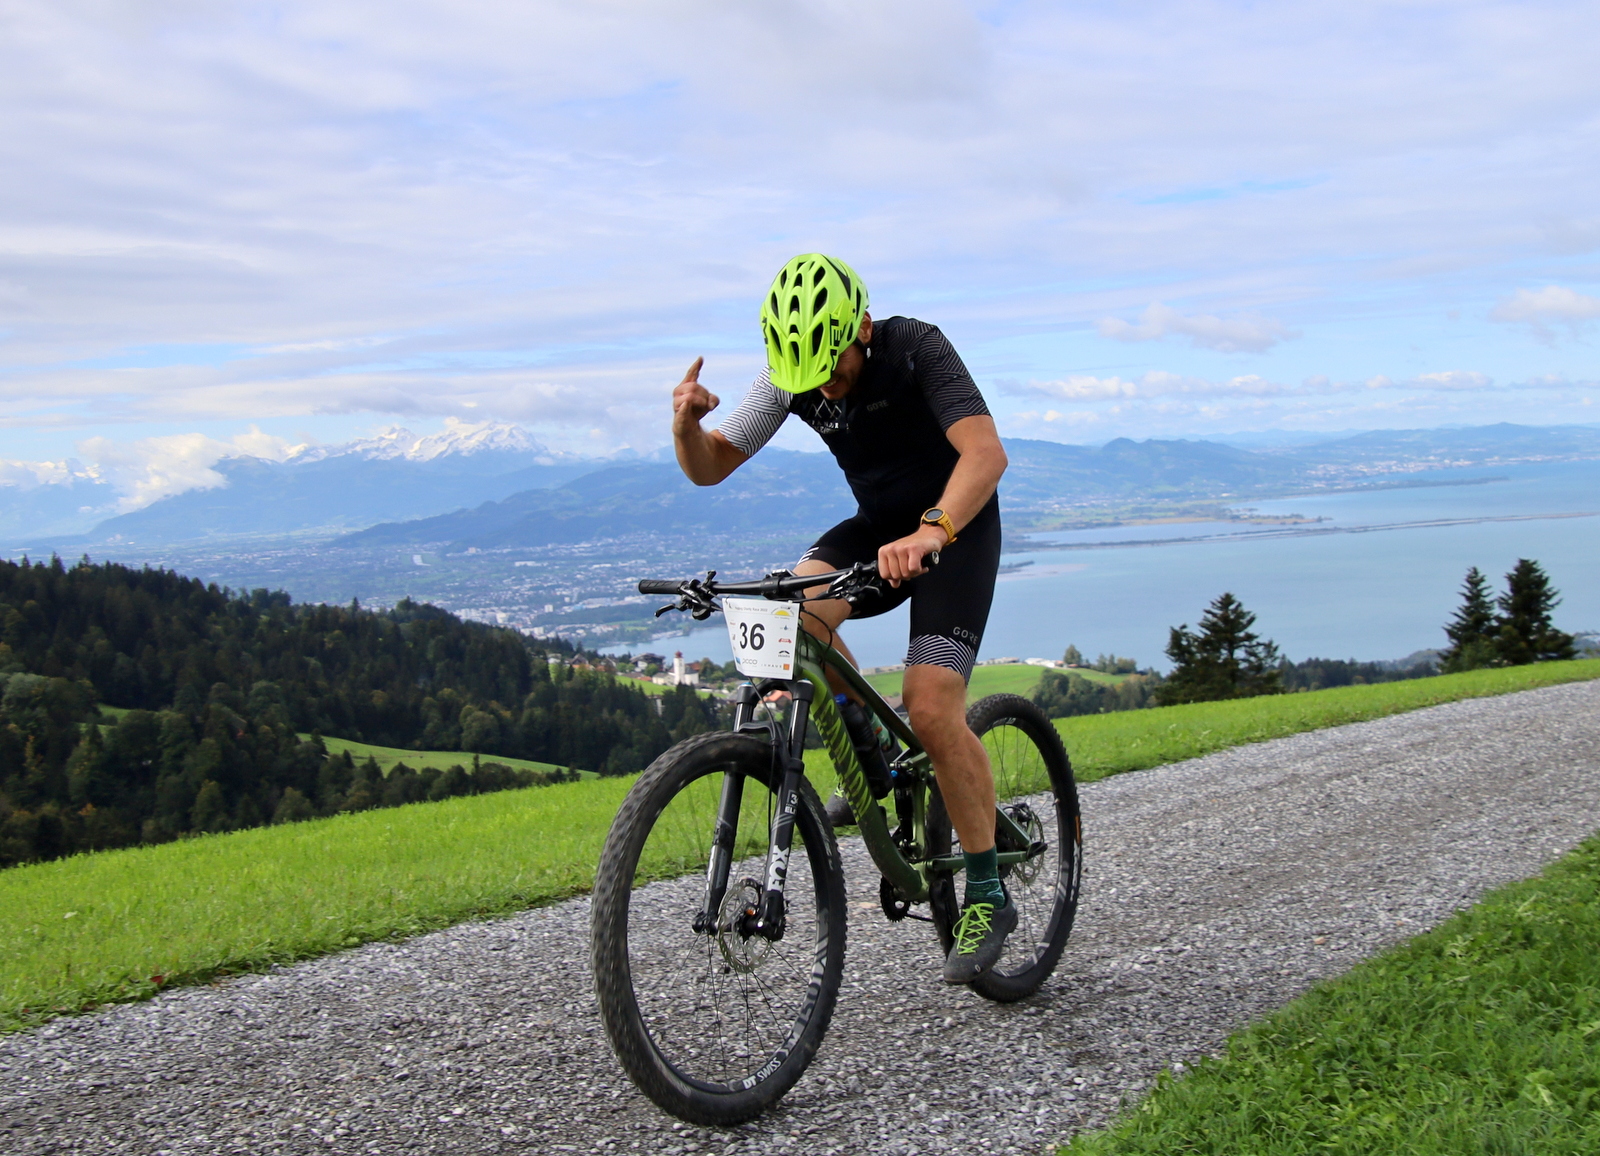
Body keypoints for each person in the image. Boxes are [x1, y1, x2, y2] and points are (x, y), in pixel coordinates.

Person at [669, 253, 1013, 985]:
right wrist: (687, 429)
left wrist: (932, 531)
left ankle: (987, 891)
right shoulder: (791, 374)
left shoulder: (916, 347)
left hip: (955, 531)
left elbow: (985, 455)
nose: (822, 386)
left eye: (832, 367)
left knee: (931, 705)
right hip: (876, 532)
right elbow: (711, 464)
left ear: (861, 327)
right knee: (791, 622)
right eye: (808, 375)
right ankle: (872, 753)